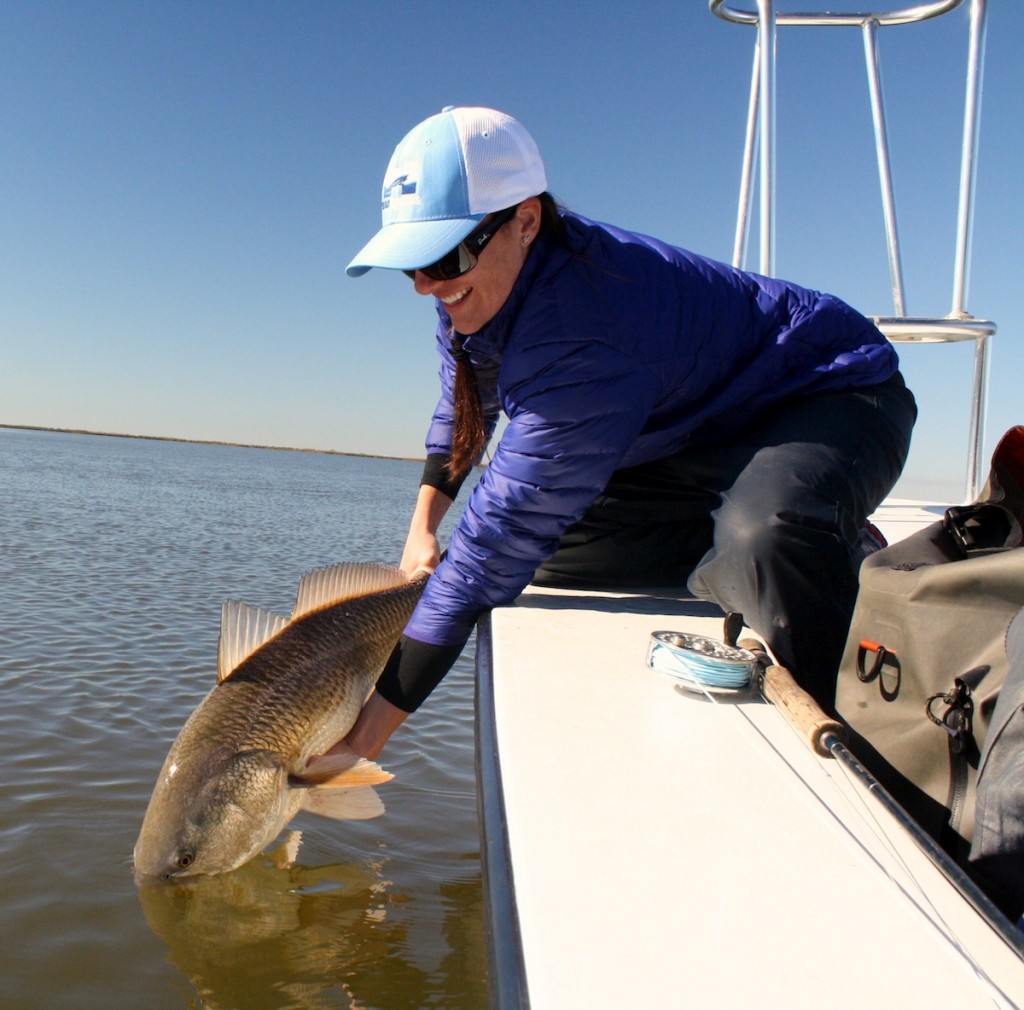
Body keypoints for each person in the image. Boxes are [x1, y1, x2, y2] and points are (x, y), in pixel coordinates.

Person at [335, 105, 917, 761]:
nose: (426, 286)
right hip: (699, 431)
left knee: (765, 539)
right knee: (560, 554)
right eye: (410, 265)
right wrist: (422, 531)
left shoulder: (584, 330)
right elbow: (463, 411)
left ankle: (830, 575)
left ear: (525, 221)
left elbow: (495, 544)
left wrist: (362, 741)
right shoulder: (472, 298)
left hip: (835, 393)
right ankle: (742, 538)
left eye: (444, 255)